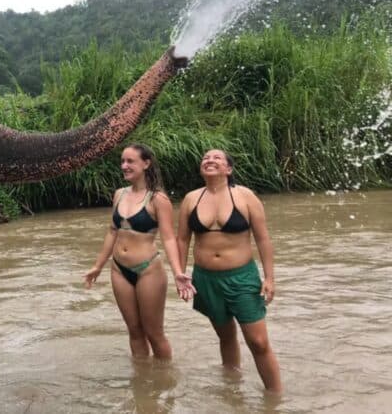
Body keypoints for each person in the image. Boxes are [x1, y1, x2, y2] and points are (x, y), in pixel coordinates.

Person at [176, 149, 282, 392]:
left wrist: (269, 278)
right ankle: (233, 390)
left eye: (217, 158)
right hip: (206, 279)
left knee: (258, 342)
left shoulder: (245, 196)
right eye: (205, 158)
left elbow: (263, 239)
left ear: (228, 169)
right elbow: (182, 239)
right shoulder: (191, 199)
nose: (209, 160)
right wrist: (180, 273)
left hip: (241, 278)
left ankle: (275, 399)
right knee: (225, 335)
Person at [84, 143, 194, 359]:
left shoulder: (158, 199)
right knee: (134, 331)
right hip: (118, 269)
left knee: (154, 333)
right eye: (122, 161)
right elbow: (112, 231)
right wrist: (98, 266)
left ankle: (165, 382)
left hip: (148, 269)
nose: (124, 165)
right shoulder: (119, 194)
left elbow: (169, 238)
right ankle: (143, 384)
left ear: (146, 163)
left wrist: (178, 272)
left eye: (130, 161)